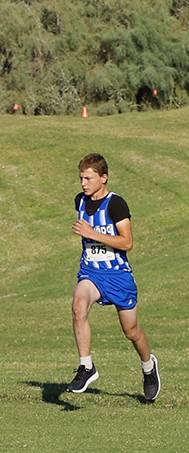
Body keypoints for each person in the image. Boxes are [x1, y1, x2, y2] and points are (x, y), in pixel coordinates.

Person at [67, 153, 159, 401]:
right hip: (91, 273)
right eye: (81, 178)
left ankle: (148, 367)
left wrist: (93, 233)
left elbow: (127, 243)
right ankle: (86, 367)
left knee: (132, 332)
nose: (83, 183)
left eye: (89, 178)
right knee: (78, 308)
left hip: (118, 276)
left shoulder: (116, 204)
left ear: (103, 178)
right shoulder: (80, 202)